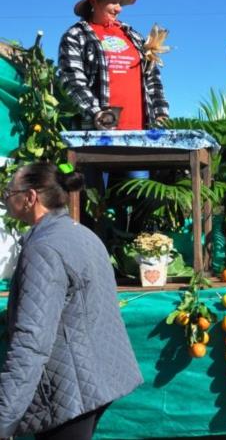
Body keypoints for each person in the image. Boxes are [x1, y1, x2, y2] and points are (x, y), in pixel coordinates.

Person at [0, 163, 142, 439]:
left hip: (69, 390)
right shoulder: (82, 234)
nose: (5, 198)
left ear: (30, 197)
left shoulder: (43, 249)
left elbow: (31, 341)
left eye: (9, 191)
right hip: (94, 380)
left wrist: (4, 417)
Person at [59, 0, 169, 130]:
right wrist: (97, 113)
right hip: (99, 132)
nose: (119, 9)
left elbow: (152, 78)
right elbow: (71, 79)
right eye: (113, 2)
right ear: (94, 1)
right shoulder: (75, 36)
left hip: (143, 132)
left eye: (120, 3)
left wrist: (161, 114)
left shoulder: (134, 37)